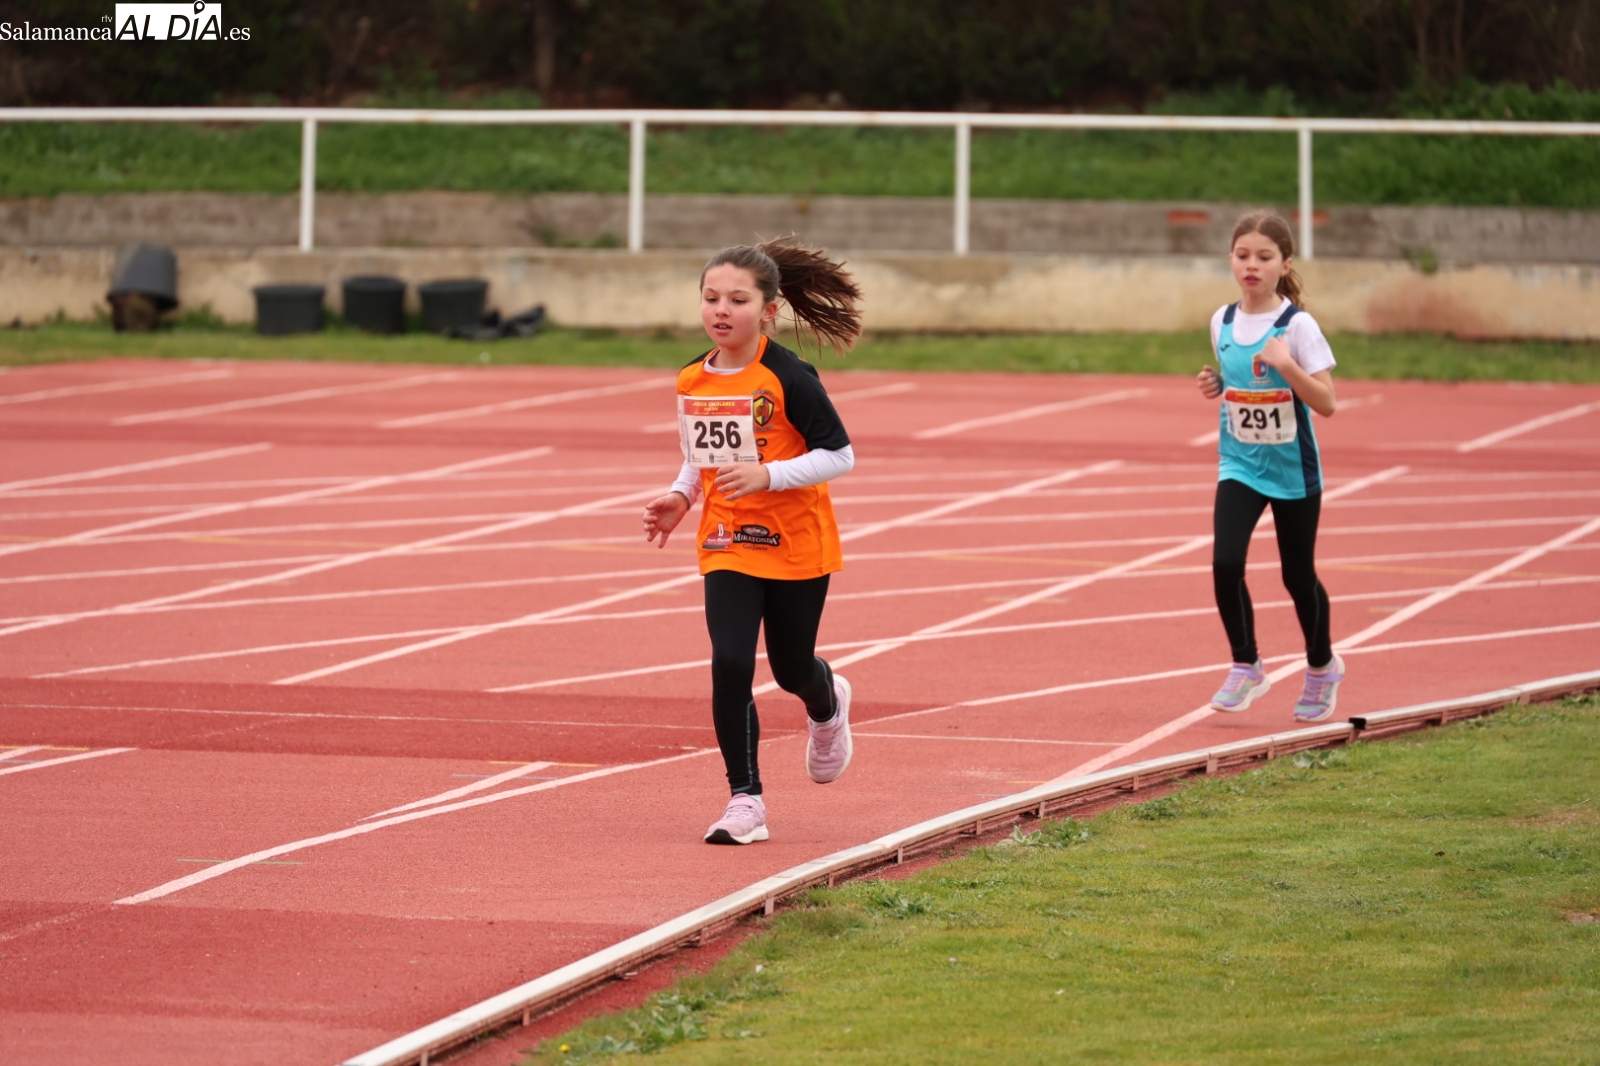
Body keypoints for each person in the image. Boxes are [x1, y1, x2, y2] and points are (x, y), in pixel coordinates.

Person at [642, 237, 862, 845]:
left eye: (737, 300)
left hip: (796, 542)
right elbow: (699, 454)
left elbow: (840, 455)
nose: (721, 310)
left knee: (792, 669)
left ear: (768, 311)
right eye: (711, 298)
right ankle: (746, 800)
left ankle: (826, 701)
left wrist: (769, 475)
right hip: (727, 540)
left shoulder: (788, 375)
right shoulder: (693, 378)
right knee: (732, 662)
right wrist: (681, 496)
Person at [1196, 210, 1345, 723]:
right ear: (1230, 260)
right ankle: (1246, 664)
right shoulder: (1222, 321)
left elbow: (1326, 402)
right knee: (1225, 564)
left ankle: (1322, 667)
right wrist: (1217, 385)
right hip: (1239, 463)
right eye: (1242, 256)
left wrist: (1286, 365)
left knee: (1297, 576)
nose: (1251, 266)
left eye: (1264, 257)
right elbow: (1239, 380)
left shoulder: (1297, 326)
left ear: (1285, 264)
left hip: (1292, 471)